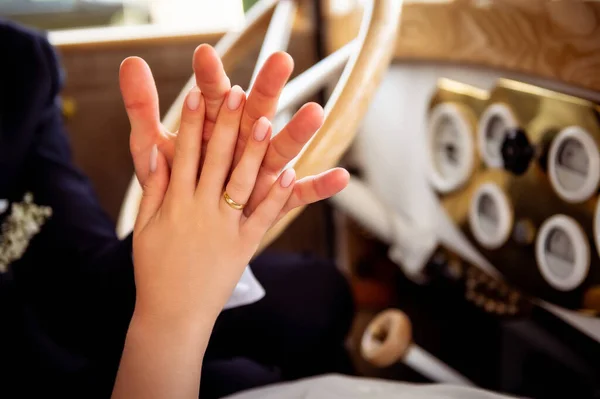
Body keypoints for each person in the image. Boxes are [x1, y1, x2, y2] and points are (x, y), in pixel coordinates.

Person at [0, 19, 354, 399]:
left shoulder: (16, 65)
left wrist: (191, 211)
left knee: (318, 296)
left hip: (66, 305)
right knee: (254, 382)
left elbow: (71, 249)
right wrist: (171, 320)